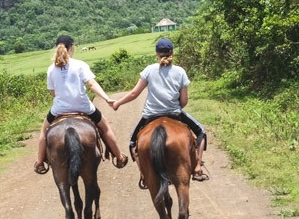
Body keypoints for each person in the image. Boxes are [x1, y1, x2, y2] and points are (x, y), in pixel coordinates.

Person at [111, 38, 208, 188]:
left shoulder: (149, 70)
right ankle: (197, 169)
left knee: (132, 142)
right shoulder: (180, 72)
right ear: (172, 53)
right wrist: (174, 105)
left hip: (150, 115)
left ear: (156, 54)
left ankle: (144, 175)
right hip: (174, 113)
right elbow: (184, 101)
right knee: (201, 131)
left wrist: (117, 103)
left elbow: (134, 94)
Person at [34, 34, 126, 174]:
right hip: (83, 107)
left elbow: (53, 93)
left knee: (44, 131)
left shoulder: (51, 69)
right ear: (72, 48)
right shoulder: (80, 65)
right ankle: (118, 156)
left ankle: (40, 162)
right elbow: (92, 84)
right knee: (105, 127)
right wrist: (107, 99)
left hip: (59, 109)